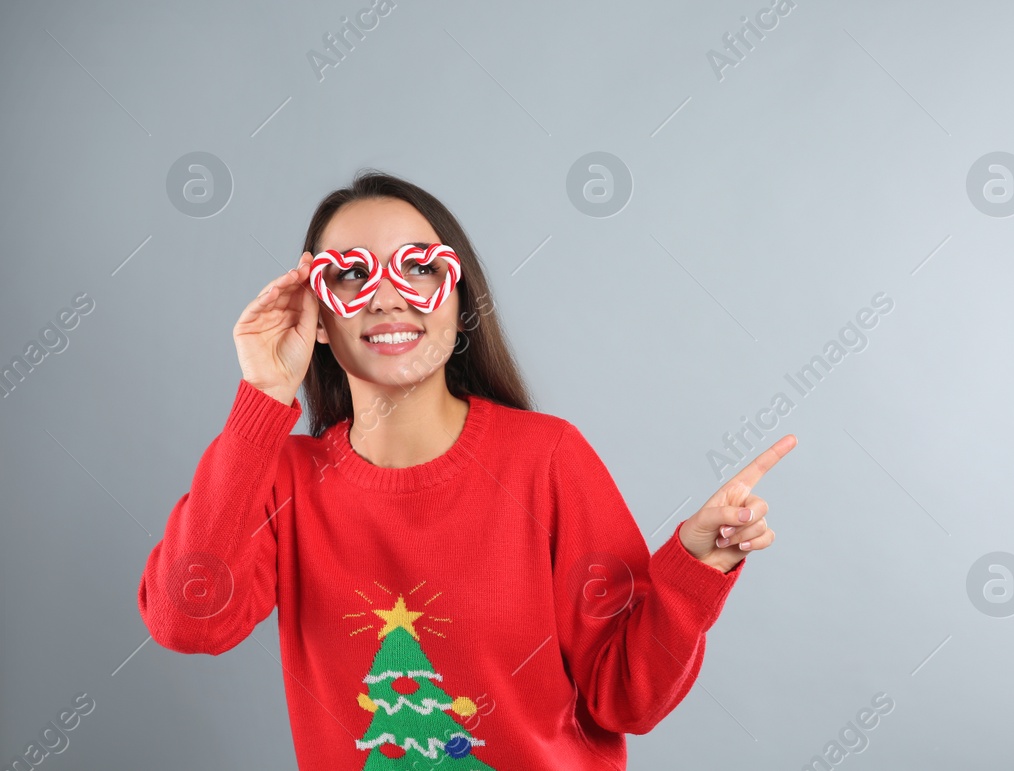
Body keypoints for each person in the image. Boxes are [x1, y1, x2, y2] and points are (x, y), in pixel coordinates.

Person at [135, 170, 795, 770]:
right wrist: (263, 395)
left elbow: (628, 699)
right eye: (351, 275)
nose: (389, 297)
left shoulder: (547, 459)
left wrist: (693, 567)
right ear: (317, 318)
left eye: (419, 268)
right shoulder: (283, 478)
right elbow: (187, 620)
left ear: (459, 297)